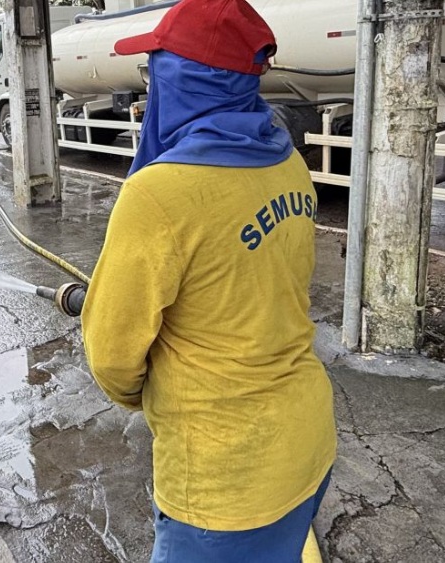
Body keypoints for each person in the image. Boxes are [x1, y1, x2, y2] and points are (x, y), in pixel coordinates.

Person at [80, 0, 337, 561]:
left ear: (183, 80)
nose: (149, 86)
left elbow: (112, 356)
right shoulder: (285, 161)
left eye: (154, 69)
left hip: (226, 480)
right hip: (308, 439)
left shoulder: (158, 195)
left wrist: (149, 393)